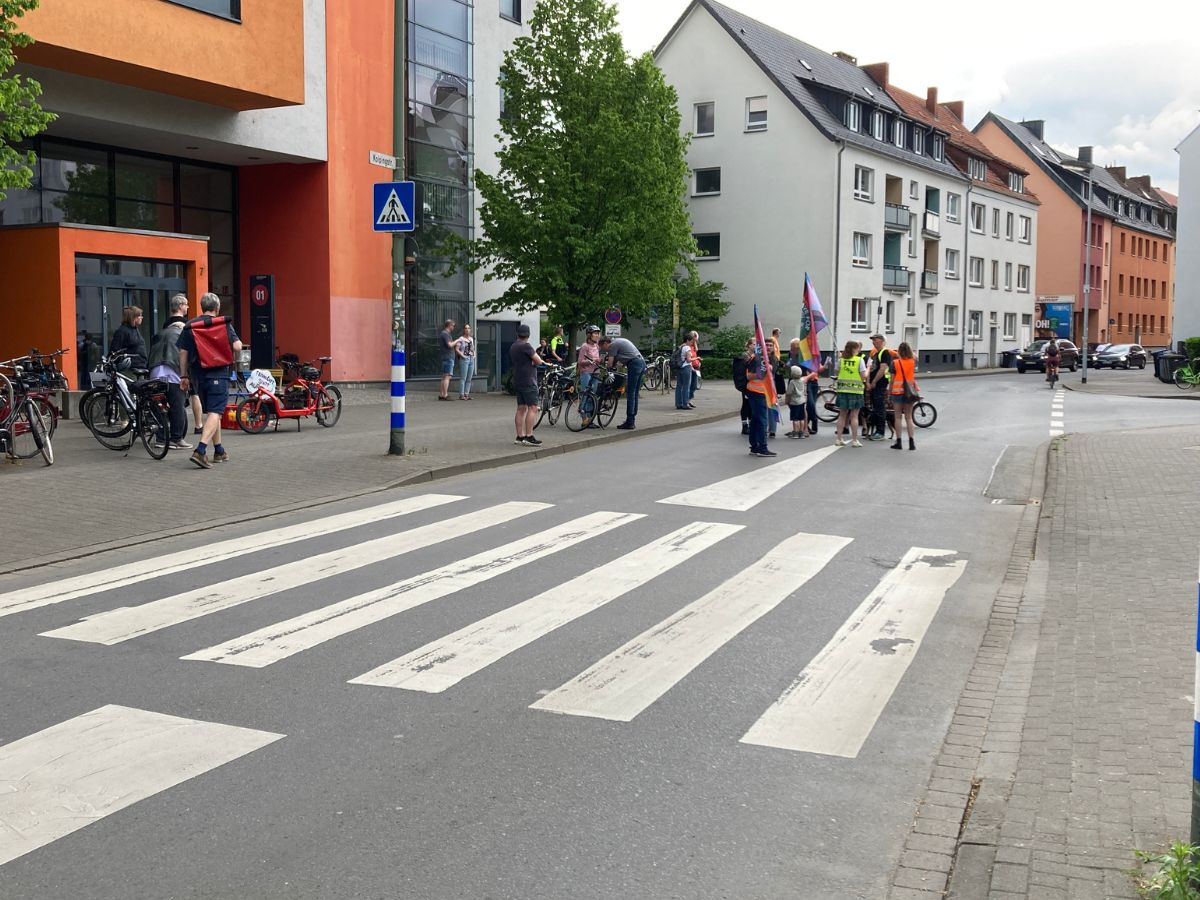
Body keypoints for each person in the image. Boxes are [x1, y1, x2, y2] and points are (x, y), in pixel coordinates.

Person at [176, 292, 242, 469]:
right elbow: (237, 346)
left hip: (198, 375)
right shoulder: (223, 324)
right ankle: (201, 450)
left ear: (202, 307)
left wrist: (183, 376)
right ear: (217, 308)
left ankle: (219, 451)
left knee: (212, 412)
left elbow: (183, 353)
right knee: (216, 413)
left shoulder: (190, 326)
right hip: (218, 374)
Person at [146, 293, 191, 450]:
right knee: (177, 406)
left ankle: (160, 438)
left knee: (159, 406)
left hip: (155, 372)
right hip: (172, 372)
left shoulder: (161, 333)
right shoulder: (182, 333)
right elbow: (184, 355)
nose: (188, 307)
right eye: (186, 305)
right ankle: (176, 438)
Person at [598, 335, 645, 430]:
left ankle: (630, 422)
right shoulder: (618, 342)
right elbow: (618, 360)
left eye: (603, 347)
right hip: (641, 362)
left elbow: (610, 363)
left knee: (630, 393)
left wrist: (606, 370)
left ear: (606, 343)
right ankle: (632, 419)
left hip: (634, 364)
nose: (604, 350)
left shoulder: (612, 346)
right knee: (635, 393)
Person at [510, 323, 543, 445]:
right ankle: (529, 436)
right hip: (529, 380)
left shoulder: (513, 346)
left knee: (521, 408)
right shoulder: (526, 346)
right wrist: (534, 363)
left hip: (518, 379)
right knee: (533, 408)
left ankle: (519, 436)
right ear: (528, 335)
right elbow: (538, 361)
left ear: (518, 334)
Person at [833, 340, 867, 447]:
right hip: (855, 391)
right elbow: (863, 376)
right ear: (853, 349)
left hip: (842, 390)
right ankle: (854, 440)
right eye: (857, 348)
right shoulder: (859, 360)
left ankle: (839, 439)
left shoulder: (841, 360)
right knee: (854, 416)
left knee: (842, 415)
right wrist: (868, 369)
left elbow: (836, 372)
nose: (858, 350)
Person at [744, 341, 776, 458]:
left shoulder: (773, 359)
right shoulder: (756, 359)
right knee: (762, 420)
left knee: (756, 420)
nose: (768, 347)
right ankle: (762, 448)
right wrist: (761, 372)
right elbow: (748, 376)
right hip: (756, 393)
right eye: (765, 345)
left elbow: (772, 376)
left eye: (770, 346)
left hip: (765, 393)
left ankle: (754, 447)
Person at [890, 342, 919, 451]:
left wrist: (889, 392)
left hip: (897, 392)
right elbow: (914, 356)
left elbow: (892, 380)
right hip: (910, 392)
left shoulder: (895, 363)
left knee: (898, 417)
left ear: (899, 351)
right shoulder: (913, 362)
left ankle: (899, 442)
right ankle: (912, 443)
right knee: (909, 417)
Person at [865, 334, 893, 441]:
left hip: (880, 384)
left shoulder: (885, 353)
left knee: (879, 408)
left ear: (882, 341)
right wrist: (868, 382)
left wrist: (874, 382)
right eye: (872, 341)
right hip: (874, 385)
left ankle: (880, 432)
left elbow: (882, 369)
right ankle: (876, 430)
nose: (873, 342)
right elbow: (870, 368)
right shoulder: (876, 354)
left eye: (875, 340)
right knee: (875, 408)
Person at [576, 325, 602, 424]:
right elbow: (580, 361)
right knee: (586, 395)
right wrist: (591, 361)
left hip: (596, 372)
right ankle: (584, 418)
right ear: (589, 335)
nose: (597, 335)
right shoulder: (585, 346)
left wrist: (600, 360)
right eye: (595, 333)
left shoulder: (597, 346)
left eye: (598, 333)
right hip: (586, 372)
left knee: (593, 396)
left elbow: (598, 359)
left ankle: (590, 419)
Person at [733, 338, 753, 434]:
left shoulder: (755, 355)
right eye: (754, 344)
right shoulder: (745, 356)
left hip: (753, 385)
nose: (756, 346)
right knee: (746, 404)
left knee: (750, 405)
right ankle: (744, 426)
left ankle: (750, 424)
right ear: (749, 345)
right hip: (746, 384)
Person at [674, 331, 697, 409]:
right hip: (686, 368)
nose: (691, 343)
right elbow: (688, 360)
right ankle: (685, 404)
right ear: (687, 340)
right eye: (691, 341)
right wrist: (697, 358)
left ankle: (678, 404)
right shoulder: (687, 348)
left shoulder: (681, 347)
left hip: (679, 368)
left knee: (679, 386)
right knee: (686, 386)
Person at [785, 365, 809, 438]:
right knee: (801, 418)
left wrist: (787, 400)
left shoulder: (792, 382)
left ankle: (796, 432)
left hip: (794, 402)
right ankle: (801, 433)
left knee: (795, 419)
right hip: (802, 401)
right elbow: (804, 391)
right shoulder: (802, 381)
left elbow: (789, 392)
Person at [455, 324, 475, 400]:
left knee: (469, 378)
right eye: (466, 328)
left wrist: (474, 355)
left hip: (471, 359)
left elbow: (472, 348)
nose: (467, 329)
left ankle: (466, 394)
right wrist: (462, 355)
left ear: (470, 330)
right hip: (464, 360)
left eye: (468, 328)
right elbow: (456, 349)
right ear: (463, 330)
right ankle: (461, 395)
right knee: (463, 377)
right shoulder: (461, 339)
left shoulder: (471, 339)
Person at [438, 319, 456, 400]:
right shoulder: (446, 334)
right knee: (447, 376)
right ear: (449, 325)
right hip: (448, 357)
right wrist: (457, 341)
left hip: (444, 357)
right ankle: (445, 395)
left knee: (444, 376)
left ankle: (442, 394)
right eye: (453, 326)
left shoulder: (443, 333)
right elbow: (450, 345)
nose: (454, 327)